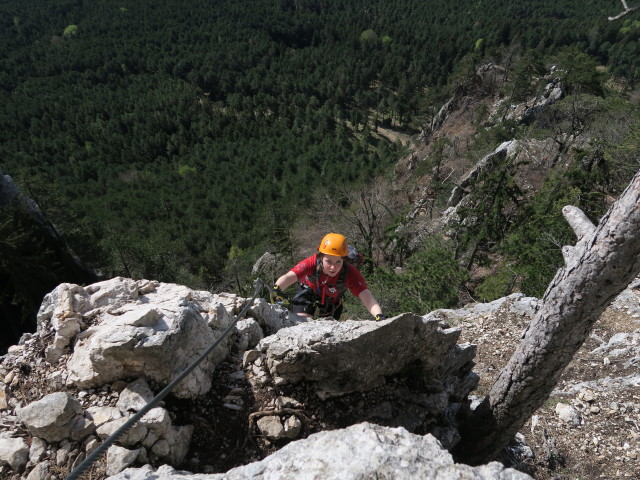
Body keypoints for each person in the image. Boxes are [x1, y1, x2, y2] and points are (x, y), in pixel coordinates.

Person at [271, 233, 387, 321]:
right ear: (320, 257)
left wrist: (378, 315)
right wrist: (277, 288)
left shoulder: (350, 272)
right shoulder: (312, 262)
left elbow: (366, 296)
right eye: (329, 261)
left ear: (344, 261)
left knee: (326, 330)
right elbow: (291, 276)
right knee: (302, 322)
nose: (333, 267)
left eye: (338, 262)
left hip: (331, 301)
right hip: (308, 292)